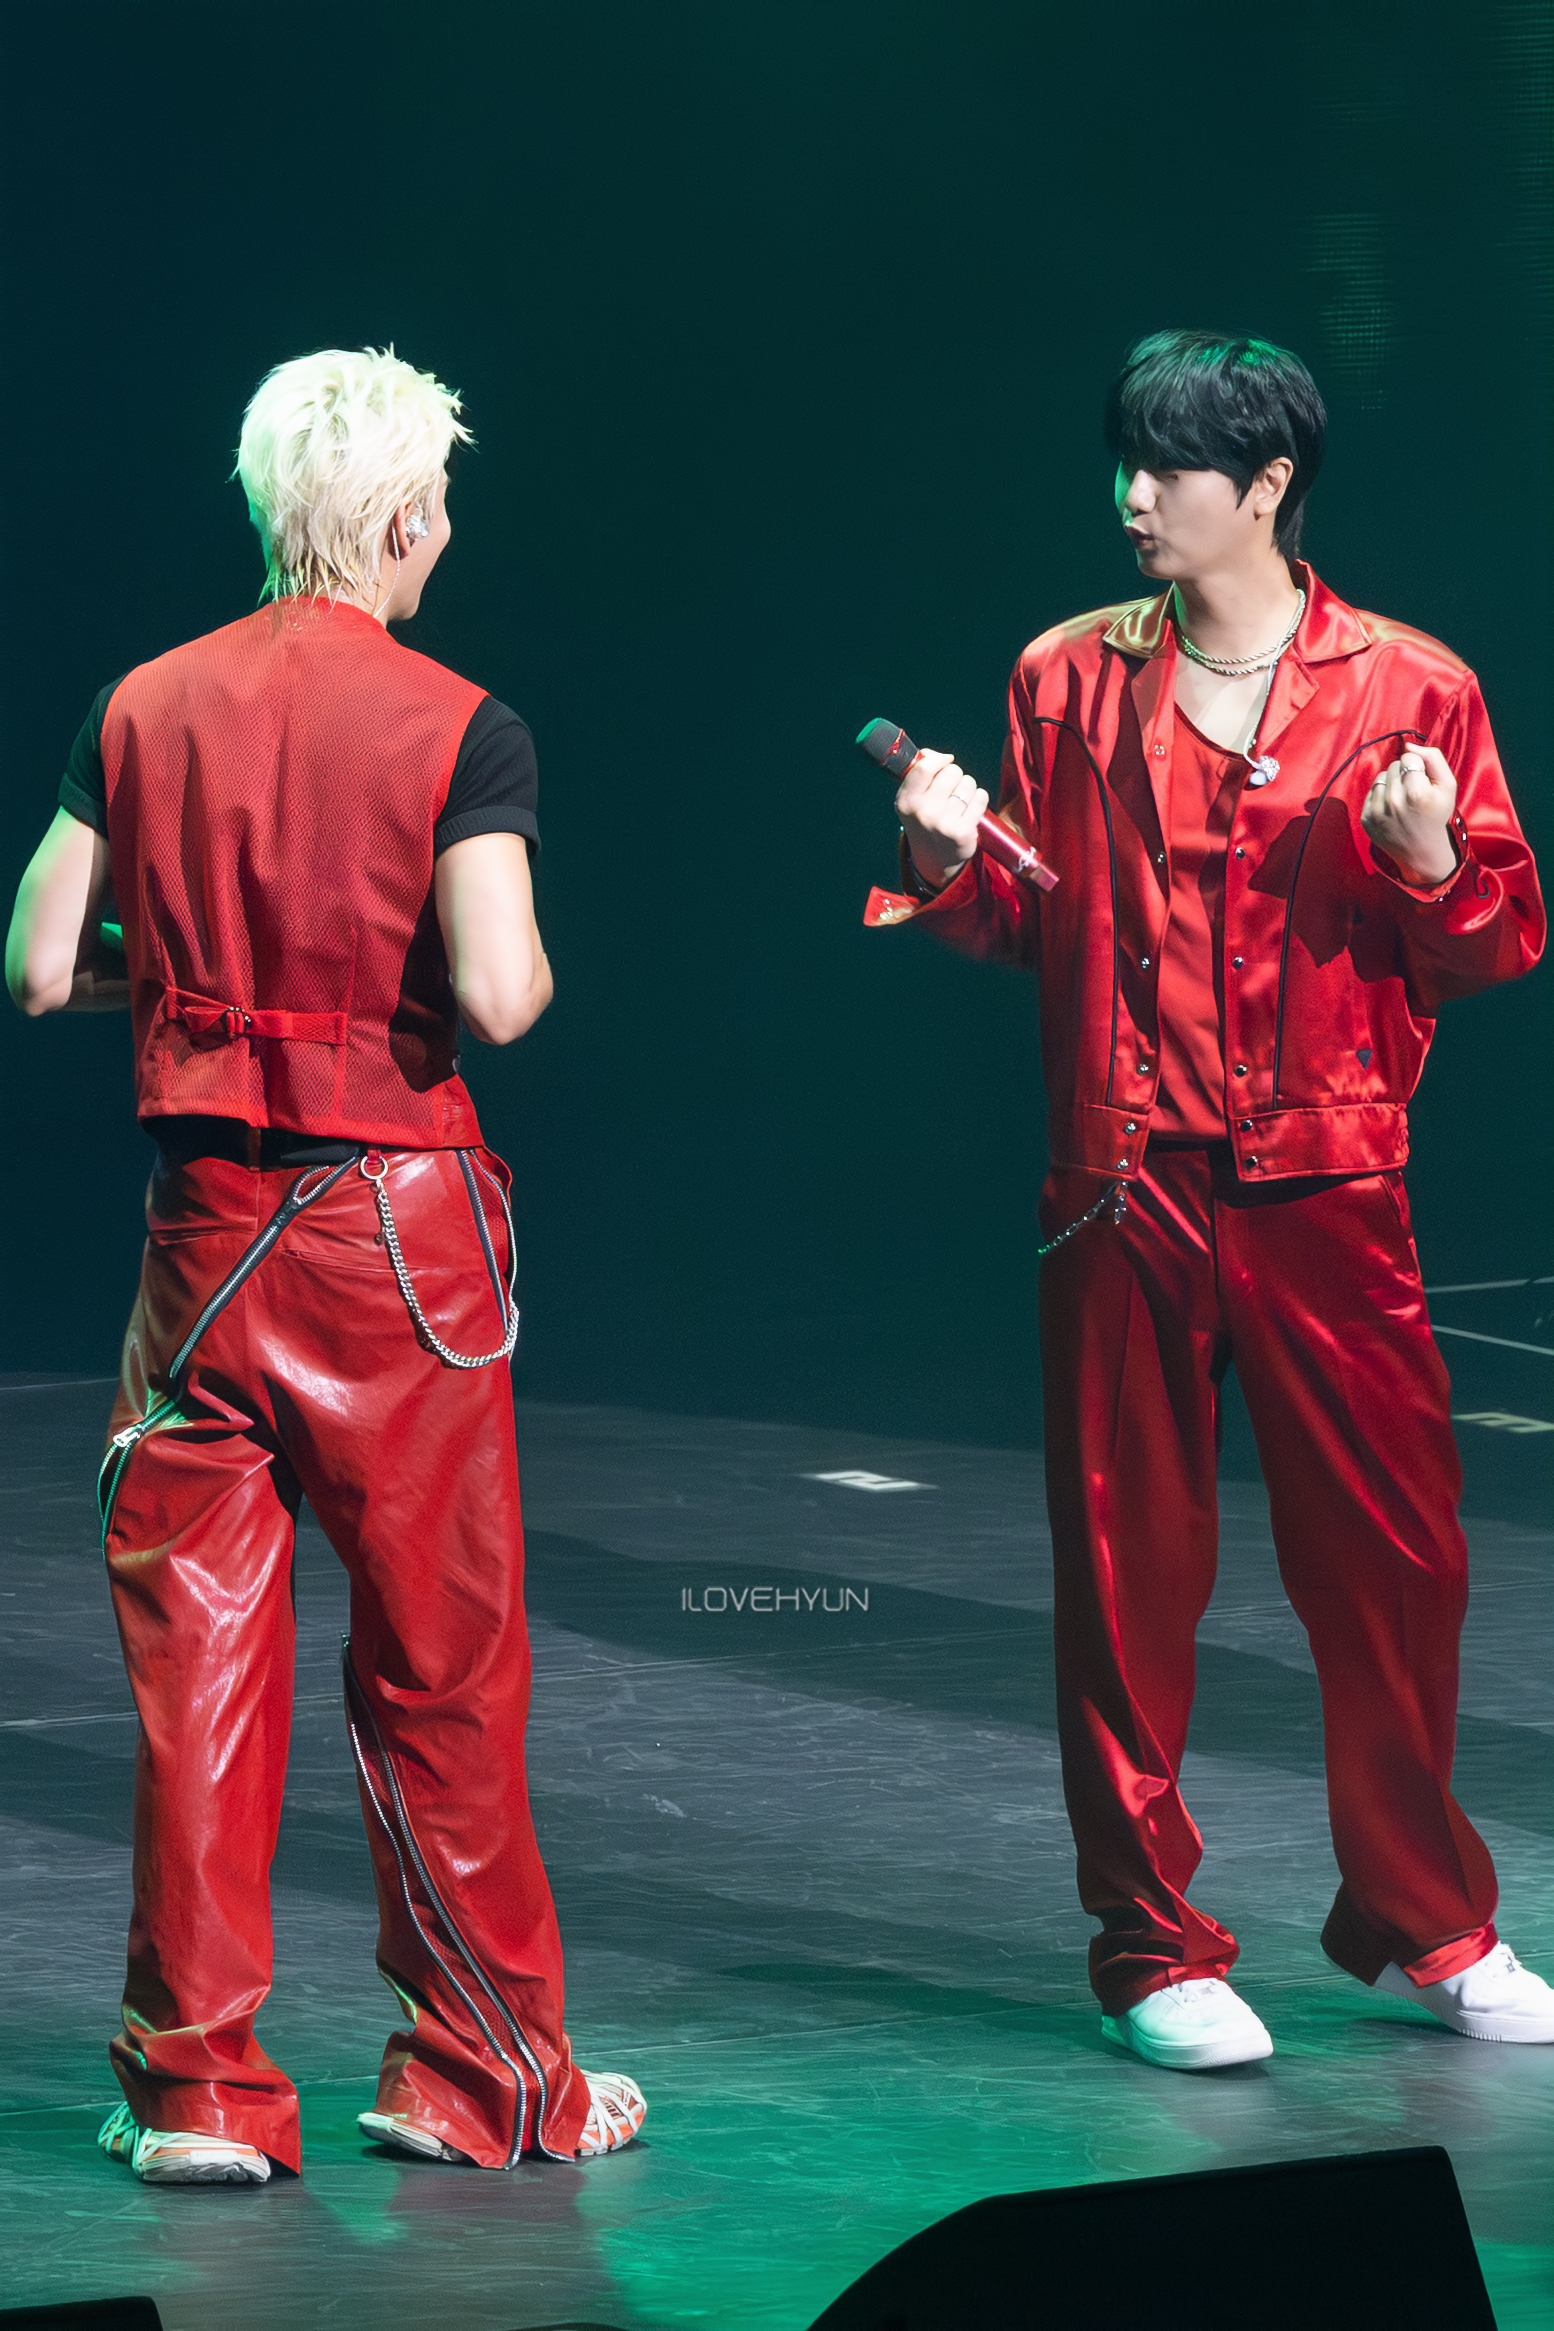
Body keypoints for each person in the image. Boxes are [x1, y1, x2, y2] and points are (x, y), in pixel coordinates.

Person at [867, 329, 1551, 2070]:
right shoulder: (1065, 676)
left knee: (1395, 1568)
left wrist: (1427, 866)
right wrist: (941, 860)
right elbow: (1034, 921)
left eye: (1165, 469)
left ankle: (1425, 1922)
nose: (1130, 497)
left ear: (1265, 486)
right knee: (1124, 1575)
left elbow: (1492, 945)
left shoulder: (1413, 687)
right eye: (1123, 462)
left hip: (1329, 1185)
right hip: (1123, 1186)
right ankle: (1150, 1950)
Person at [5, 347, 646, 2178]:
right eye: (436, 504)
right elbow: (502, 995)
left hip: (204, 1238)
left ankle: (196, 2090)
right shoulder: (461, 724)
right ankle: (477, 2075)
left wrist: (195, 985)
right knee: (440, 1669)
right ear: (400, 516)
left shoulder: (140, 703)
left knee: (197, 1669)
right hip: (392, 1244)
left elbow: (38, 965)